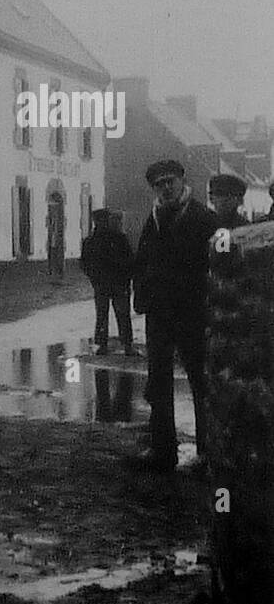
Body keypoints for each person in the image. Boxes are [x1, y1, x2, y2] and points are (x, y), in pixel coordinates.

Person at [132, 160, 218, 472]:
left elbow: (218, 266)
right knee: (158, 382)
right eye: (159, 185)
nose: (166, 188)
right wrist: (142, 298)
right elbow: (142, 262)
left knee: (200, 381)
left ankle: (208, 453)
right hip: (159, 315)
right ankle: (162, 449)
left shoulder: (203, 218)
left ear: (182, 182)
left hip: (193, 313)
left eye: (170, 182)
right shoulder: (153, 219)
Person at [80, 208, 137, 356]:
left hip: (104, 284)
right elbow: (130, 260)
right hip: (116, 283)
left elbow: (85, 264)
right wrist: (126, 279)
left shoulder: (90, 241)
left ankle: (103, 344)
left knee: (104, 314)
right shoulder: (118, 238)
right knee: (121, 314)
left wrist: (95, 279)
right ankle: (126, 345)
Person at [46, 192, 66, 278]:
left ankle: (58, 270)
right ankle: (52, 270)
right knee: (52, 253)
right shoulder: (52, 218)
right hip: (52, 238)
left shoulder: (59, 219)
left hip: (58, 238)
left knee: (58, 253)